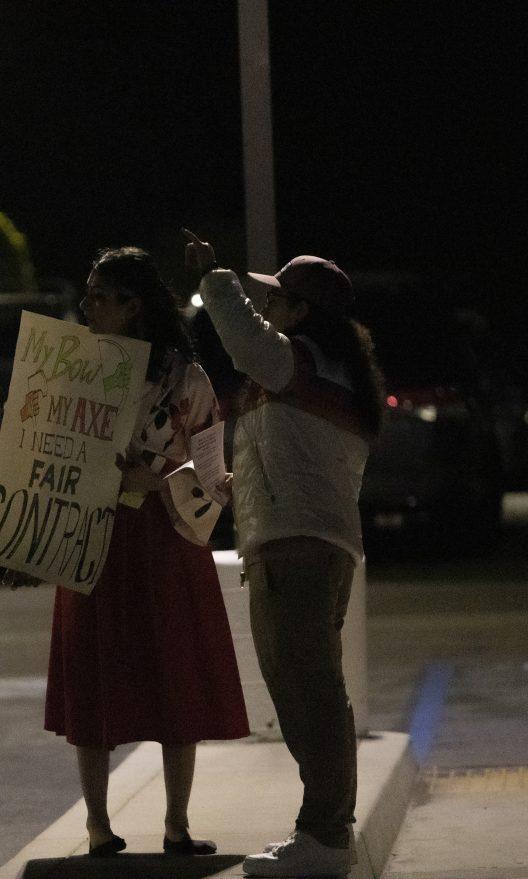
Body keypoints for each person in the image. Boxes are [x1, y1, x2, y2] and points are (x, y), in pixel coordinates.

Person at [27, 246, 249, 857]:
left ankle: (177, 822)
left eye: (102, 296)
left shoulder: (188, 378)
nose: (89, 306)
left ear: (135, 305)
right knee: (93, 671)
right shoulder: (74, 368)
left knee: (174, 672)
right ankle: (98, 824)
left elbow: (212, 473)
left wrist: (158, 479)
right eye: (91, 294)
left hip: (164, 535)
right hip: (94, 532)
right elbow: (44, 454)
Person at [184, 230, 385, 877]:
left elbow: (246, 342)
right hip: (305, 542)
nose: (266, 309)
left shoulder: (299, 361)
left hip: (298, 550)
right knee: (305, 689)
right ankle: (321, 831)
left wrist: (215, 277)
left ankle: (325, 837)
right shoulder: (323, 373)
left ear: (302, 311)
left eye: (276, 299)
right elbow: (303, 464)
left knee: (310, 693)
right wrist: (236, 486)